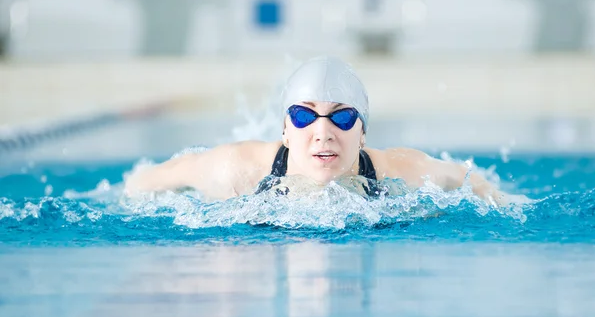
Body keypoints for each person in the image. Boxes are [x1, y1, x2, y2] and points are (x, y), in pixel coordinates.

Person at [125, 56, 511, 205]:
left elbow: (466, 178)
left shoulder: (401, 170)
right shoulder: (235, 170)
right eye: (304, 116)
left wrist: (500, 199)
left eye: (341, 117)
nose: (323, 132)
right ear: (285, 130)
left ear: (362, 132)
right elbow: (144, 182)